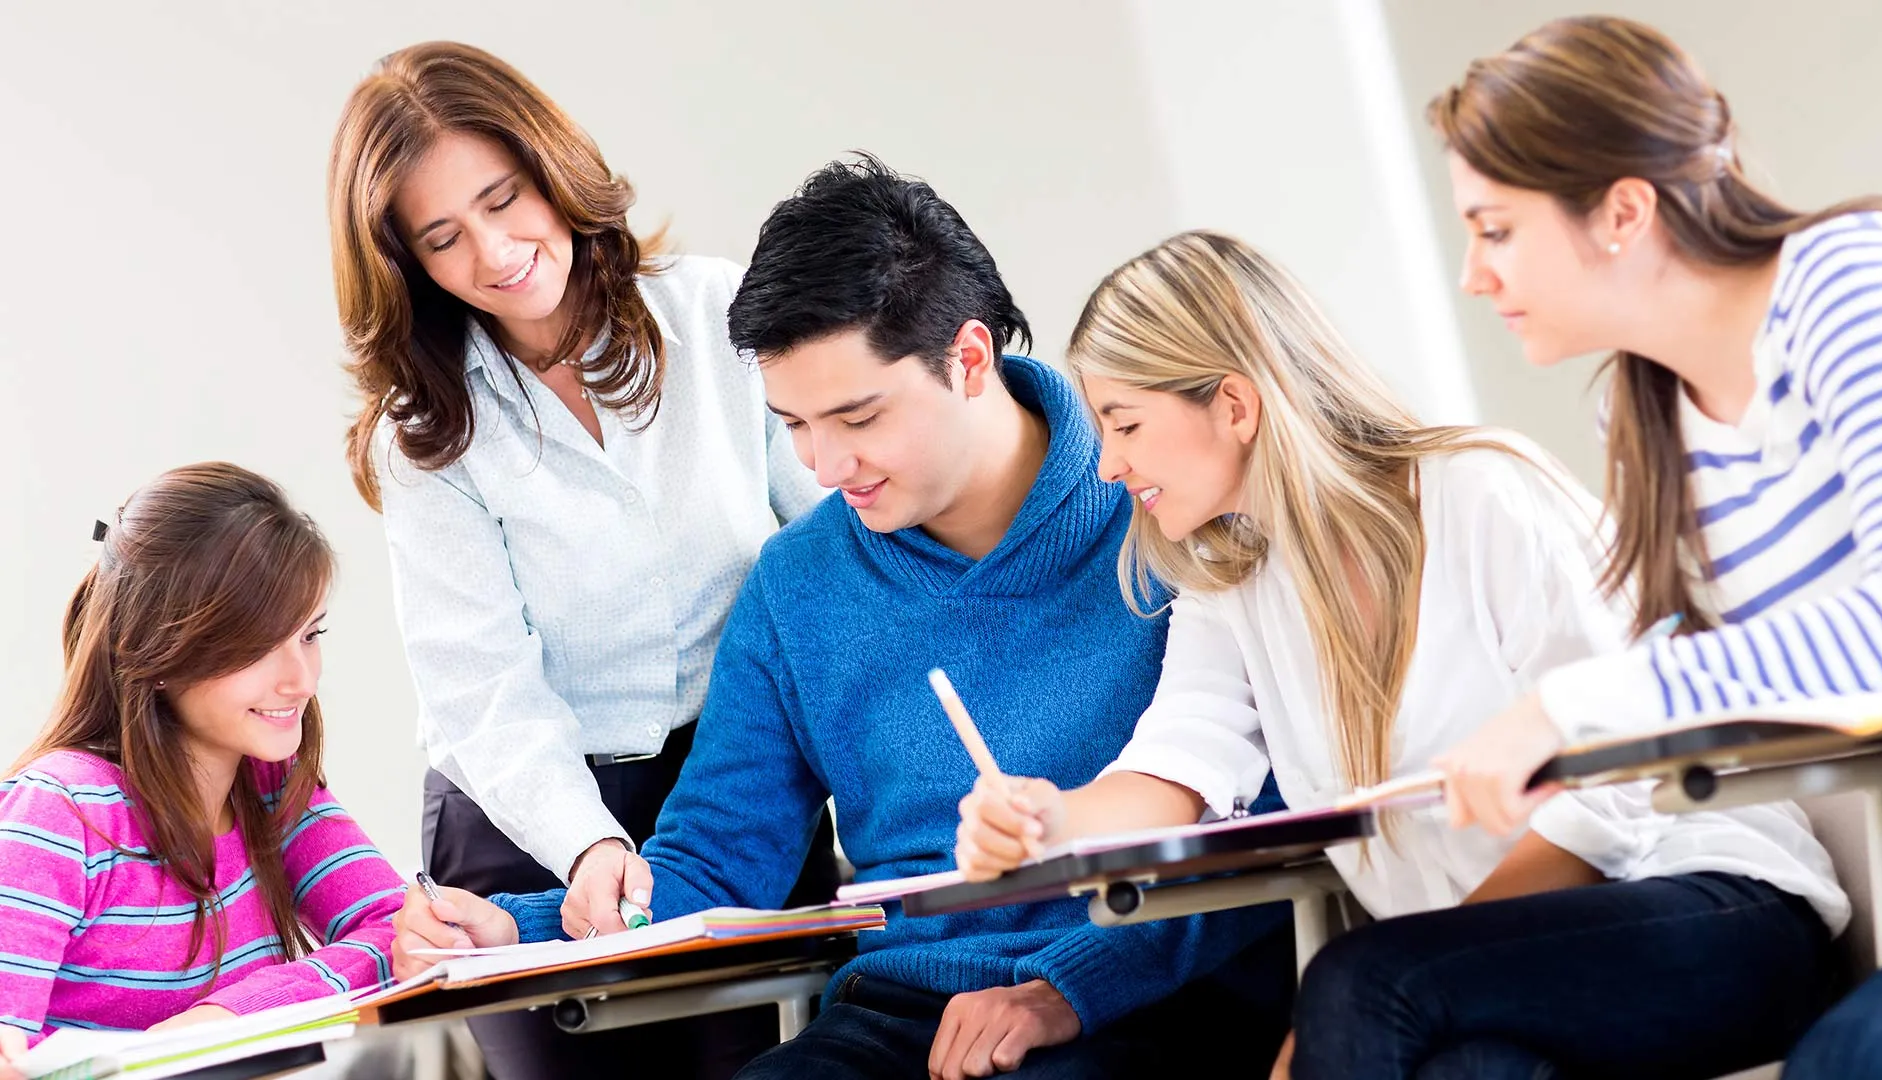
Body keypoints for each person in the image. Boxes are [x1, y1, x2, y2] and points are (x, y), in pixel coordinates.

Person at [391, 155, 1294, 1080]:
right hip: (904, 1013)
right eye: (794, 425)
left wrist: (1070, 988)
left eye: (858, 417)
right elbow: (713, 862)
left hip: (1151, 994)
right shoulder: (797, 588)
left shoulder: (1162, 508)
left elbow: (1272, 814)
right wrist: (514, 926)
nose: (826, 465)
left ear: (969, 359)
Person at [953, 230, 1847, 1079]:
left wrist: (1404, 974)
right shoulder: (1233, 583)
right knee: (1474, 1069)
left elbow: (1609, 782)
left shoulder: (1481, 491)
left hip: (1718, 908)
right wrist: (1049, 822)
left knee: (1359, 983)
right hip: (1474, 976)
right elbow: (1179, 764)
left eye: (1126, 424)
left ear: (1234, 403)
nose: (1106, 465)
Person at [1409, 15, 1882, 1076]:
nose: (1473, 274)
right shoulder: (1644, 417)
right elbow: (1717, 704)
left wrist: (1567, 708)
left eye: (1496, 230)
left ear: (1623, 213)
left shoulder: (1851, 277)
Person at [326, 41, 838, 1077]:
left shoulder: (718, 316)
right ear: (410, 266)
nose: (495, 250)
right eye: (443, 238)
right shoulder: (425, 431)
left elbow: (833, 552)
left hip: (734, 787)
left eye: (503, 198)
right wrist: (586, 844)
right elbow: (481, 689)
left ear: (551, 166)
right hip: (520, 822)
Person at [0, 464, 403, 1078]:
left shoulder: (270, 785)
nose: (301, 679)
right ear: (159, 649)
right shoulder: (60, 814)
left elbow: (398, 930)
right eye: (258, 646)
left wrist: (232, 1015)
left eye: (310, 635)